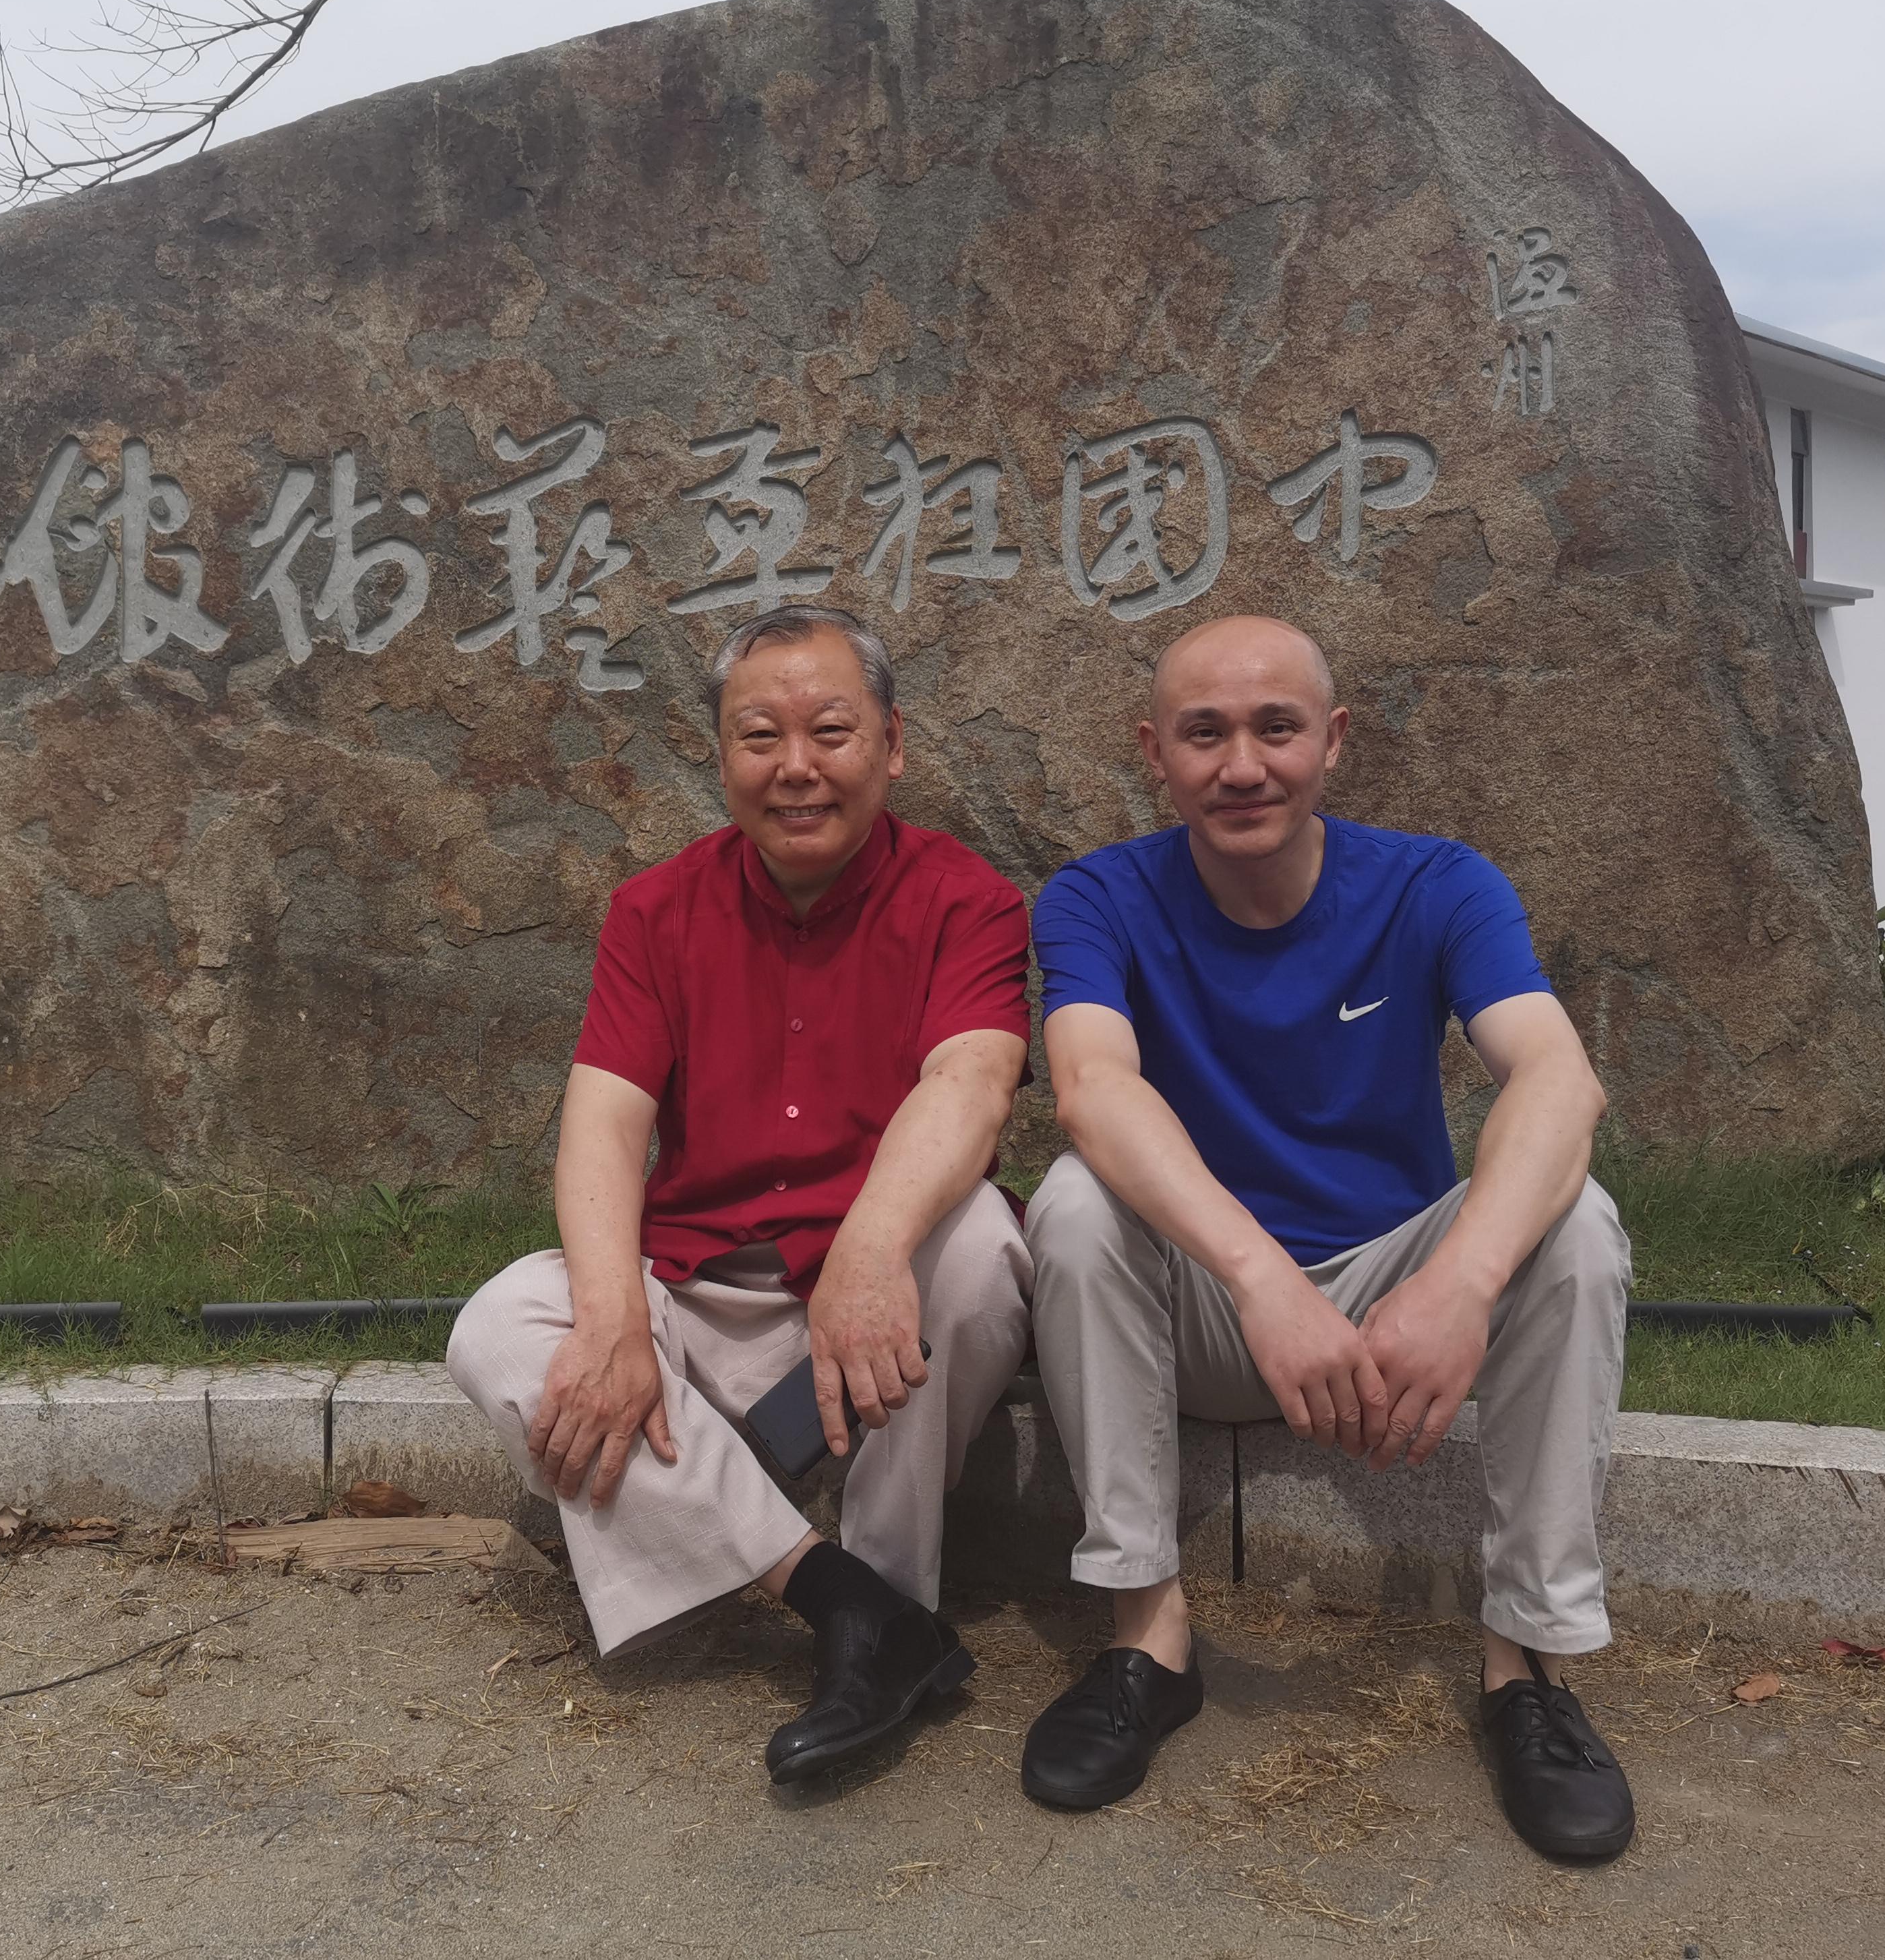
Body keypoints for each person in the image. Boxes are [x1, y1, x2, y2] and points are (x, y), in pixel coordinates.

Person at [1018, 614, 1637, 1864]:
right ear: (1154, 750)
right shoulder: (1098, 896)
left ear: (1334, 740)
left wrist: (1463, 1283)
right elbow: (1091, 1087)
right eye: (1204, 733)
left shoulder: (1437, 885)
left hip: (1391, 1309)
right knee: (1075, 1201)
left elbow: (1557, 1077)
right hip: (1210, 1306)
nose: (1243, 766)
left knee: (1577, 1218)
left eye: (1277, 728)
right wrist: (1257, 1275)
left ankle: (1528, 1661)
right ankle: (1146, 1636)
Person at [446, 606, 1034, 1785]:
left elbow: (970, 1085)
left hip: (873, 1290)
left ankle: (889, 1583)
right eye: (760, 737)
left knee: (976, 1250)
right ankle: (848, 1605)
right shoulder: (655, 910)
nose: (796, 767)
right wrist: (615, 1317)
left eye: (831, 732)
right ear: (721, 758)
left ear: (892, 746)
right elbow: (605, 1124)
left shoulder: (967, 900)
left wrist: (871, 1247)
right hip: (703, 1290)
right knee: (501, 1325)